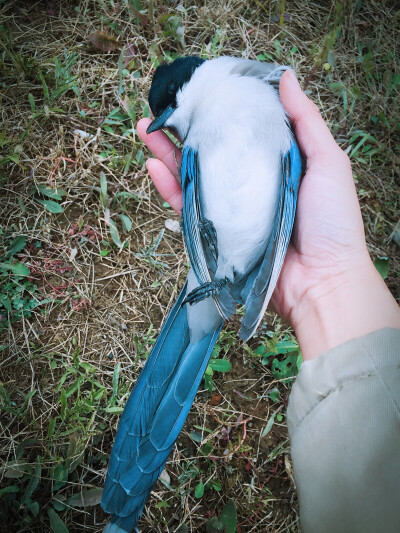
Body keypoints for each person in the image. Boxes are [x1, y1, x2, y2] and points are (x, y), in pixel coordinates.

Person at [136, 70, 400, 532]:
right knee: (187, 344)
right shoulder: (202, 125)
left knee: (185, 347)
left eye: (169, 116)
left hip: (244, 262)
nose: (173, 127)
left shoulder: (247, 94)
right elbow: (196, 197)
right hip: (220, 265)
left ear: (182, 90)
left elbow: (286, 184)